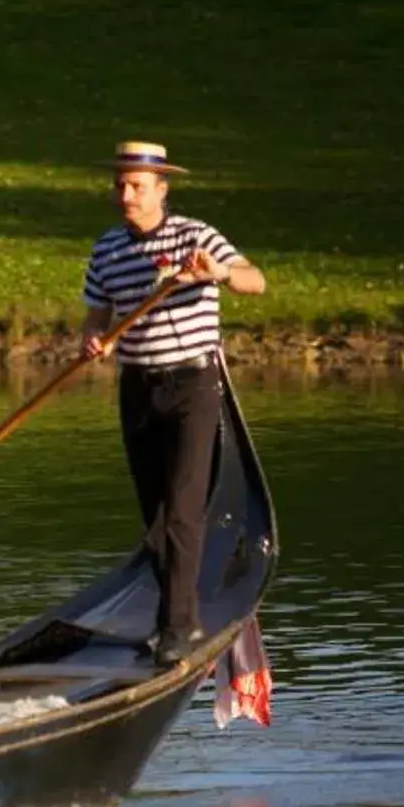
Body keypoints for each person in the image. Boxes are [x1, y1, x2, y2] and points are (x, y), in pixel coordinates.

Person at [80, 141, 267, 666]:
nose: (126, 194)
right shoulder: (107, 249)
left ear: (161, 190)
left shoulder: (196, 236)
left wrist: (218, 274)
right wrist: (94, 339)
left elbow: (256, 280)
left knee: (185, 509)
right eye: (120, 184)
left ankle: (177, 627)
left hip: (193, 384)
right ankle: (181, 609)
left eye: (137, 185)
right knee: (157, 518)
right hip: (137, 387)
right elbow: (98, 314)